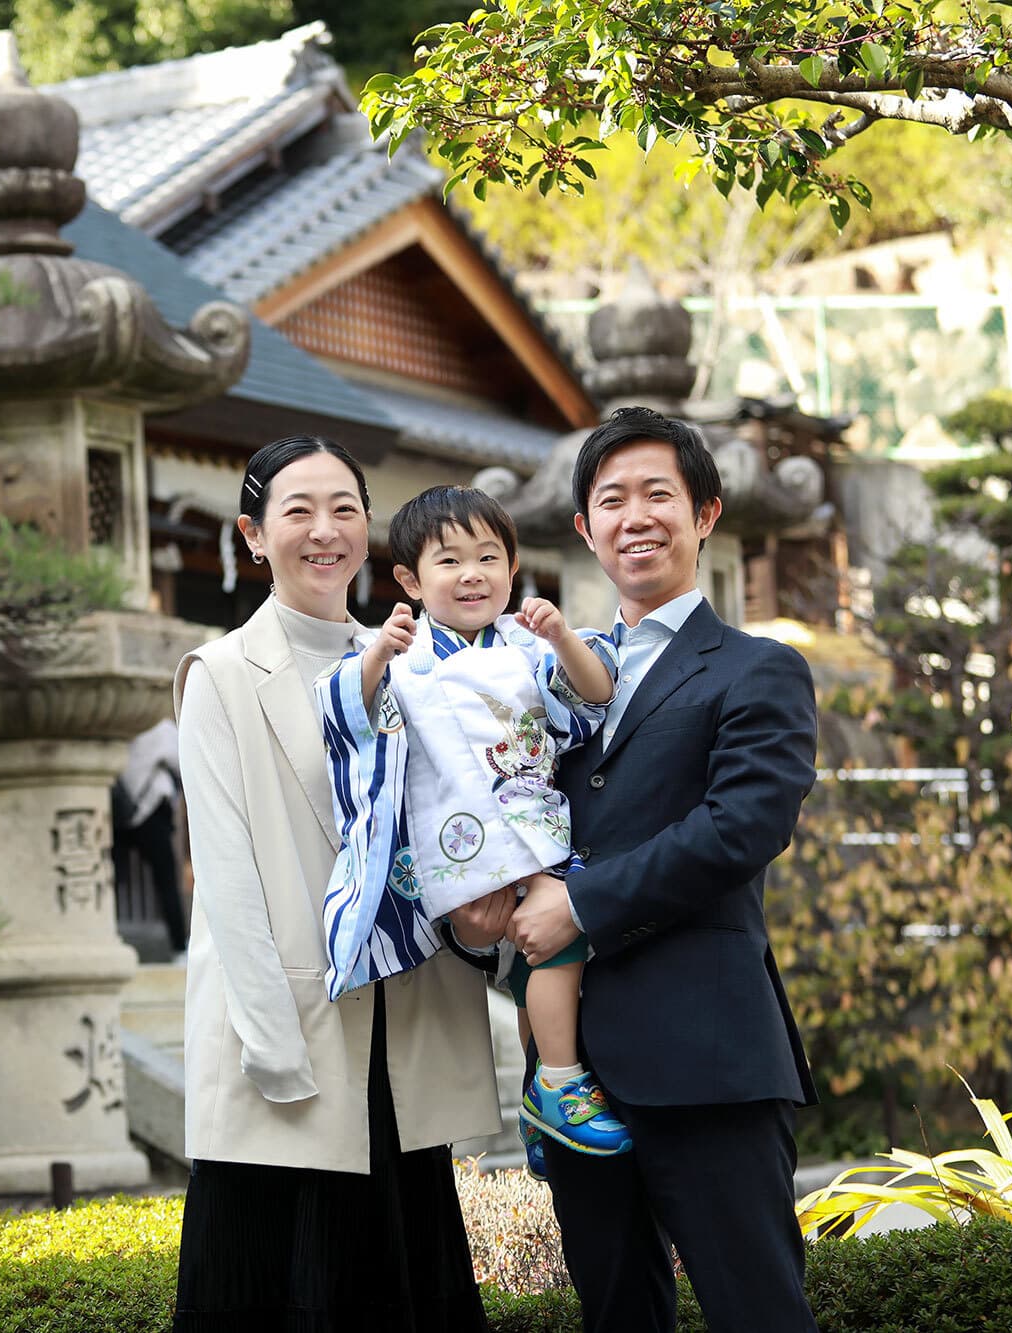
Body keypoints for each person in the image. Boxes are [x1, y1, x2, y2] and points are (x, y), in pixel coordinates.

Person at [171, 437, 506, 1333]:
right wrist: (273, 1049)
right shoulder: (221, 677)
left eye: (346, 509)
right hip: (288, 1045)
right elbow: (228, 880)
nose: (325, 531)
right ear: (253, 534)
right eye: (298, 510)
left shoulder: (425, 661)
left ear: (371, 531)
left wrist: (483, 932)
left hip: (401, 1039)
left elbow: (467, 829)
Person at [506, 406, 821, 1333]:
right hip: (573, 1071)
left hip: (707, 1054)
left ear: (707, 514)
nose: (635, 516)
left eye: (658, 495)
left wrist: (583, 905)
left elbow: (741, 827)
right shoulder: (546, 682)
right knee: (615, 1314)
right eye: (612, 500)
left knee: (758, 1310)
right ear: (584, 529)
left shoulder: (759, 669)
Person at [313, 485, 630, 1175]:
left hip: (529, 827)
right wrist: (375, 658)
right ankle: (561, 1081)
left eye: (489, 557)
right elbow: (345, 712)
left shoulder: (525, 645)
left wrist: (563, 636)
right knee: (557, 948)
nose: (472, 573)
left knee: (538, 963)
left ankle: (544, 1098)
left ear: (513, 568)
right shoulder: (400, 650)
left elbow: (597, 694)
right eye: (449, 560)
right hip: (461, 849)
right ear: (408, 579)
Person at [112, 717, 188, 958]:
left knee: (113, 881)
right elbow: (182, 762)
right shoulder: (160, 729)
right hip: (151, 810)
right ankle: (179, 947)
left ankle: (110, 940)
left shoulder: (117, 727)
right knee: (166, 882)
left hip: (121, 809)